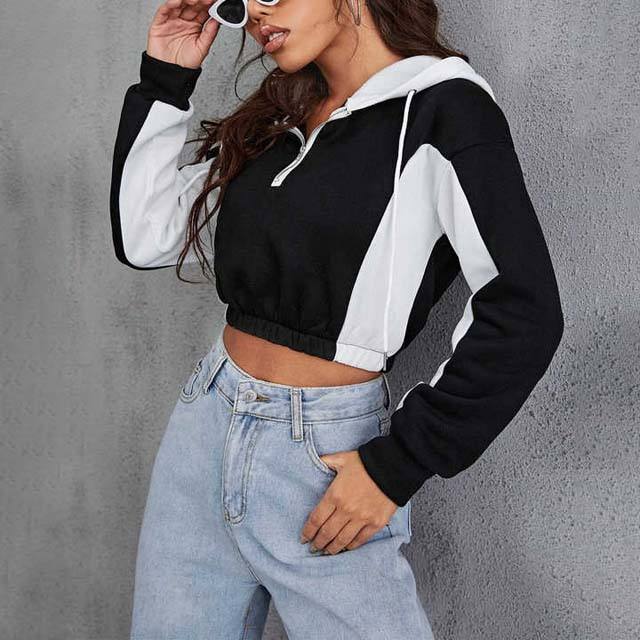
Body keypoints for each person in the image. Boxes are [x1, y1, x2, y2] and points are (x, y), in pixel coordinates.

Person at [109, 0, 564, 637]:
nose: (256, 13)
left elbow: (524, 308)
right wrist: (165, 77)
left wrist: (397, 465)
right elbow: (145, 235)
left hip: (323, 454)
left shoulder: (443, 108)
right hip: (205, 424)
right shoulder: (281, 112)